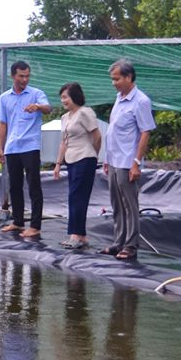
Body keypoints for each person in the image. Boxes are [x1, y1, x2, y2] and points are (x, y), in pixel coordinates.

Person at [100, 59, 155, 260]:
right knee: (116, 202)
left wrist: (136, 163)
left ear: (128, 77)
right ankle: (118, 242)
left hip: (127, 161)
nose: (114, 83)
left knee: (129, 204)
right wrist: (107, 158)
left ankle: (131, 245)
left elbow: (145, 133)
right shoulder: (119, 98)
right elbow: (114, 130)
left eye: (117, 79)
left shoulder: (140, 101)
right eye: (112, 79)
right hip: (114, 159)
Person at [0, 60, 51, 238]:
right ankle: (18, 221)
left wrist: (38, 106)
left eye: (27, 76)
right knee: (15, 186)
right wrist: (0, 147)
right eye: (21, 76)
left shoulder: (36, 94)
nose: (25, 79)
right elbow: (3, 124)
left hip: (30, 145)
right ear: (13, 76)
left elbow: (48, 108)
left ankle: (35, 225)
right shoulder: (4, 97)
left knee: (34, 185)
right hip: (12, 147)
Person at [52, 82, 102, 248]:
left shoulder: (85, 113)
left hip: (85, 158)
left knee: (78, 196)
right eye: (62, 98)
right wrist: (58, 164)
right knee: (73, 196)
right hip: (71, 160)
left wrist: (93, 154)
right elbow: (63, 142)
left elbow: (97, 136)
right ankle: (78, 235)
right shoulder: (65, 118)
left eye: (65, 97)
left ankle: (77, 235)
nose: (63, 100)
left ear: (75, 96)